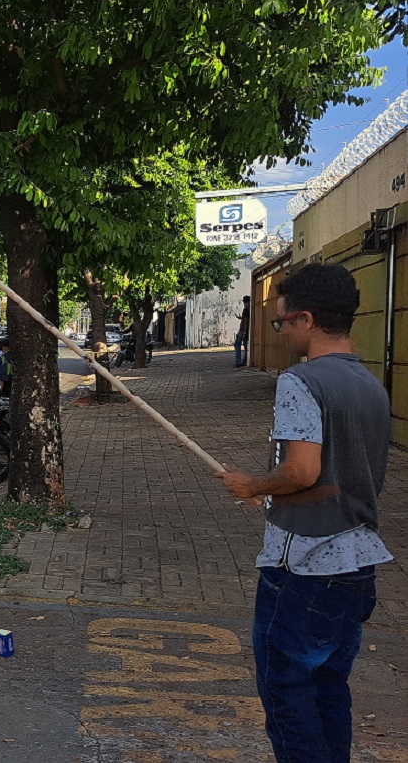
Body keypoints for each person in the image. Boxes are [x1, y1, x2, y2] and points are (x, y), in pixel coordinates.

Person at [213, 264, 391, 763]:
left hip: (305, 570)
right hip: (356, 566)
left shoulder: (301, 381)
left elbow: (301, 471)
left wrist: (253, 484)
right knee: (328, 690)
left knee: (288, 696)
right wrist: (270, 494)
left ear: (306, 319)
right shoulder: (370, 386)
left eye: (282, 322)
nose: (282, 331)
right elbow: (333, 477)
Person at [235, 294, 251, 367]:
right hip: (247, 330)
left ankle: (238, 361)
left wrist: (243, 332)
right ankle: (244, 361)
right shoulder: (251, 310)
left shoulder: (245, 310)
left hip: (243, 330)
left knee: (237, 344)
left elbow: (245, 321)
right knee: (246, 346)